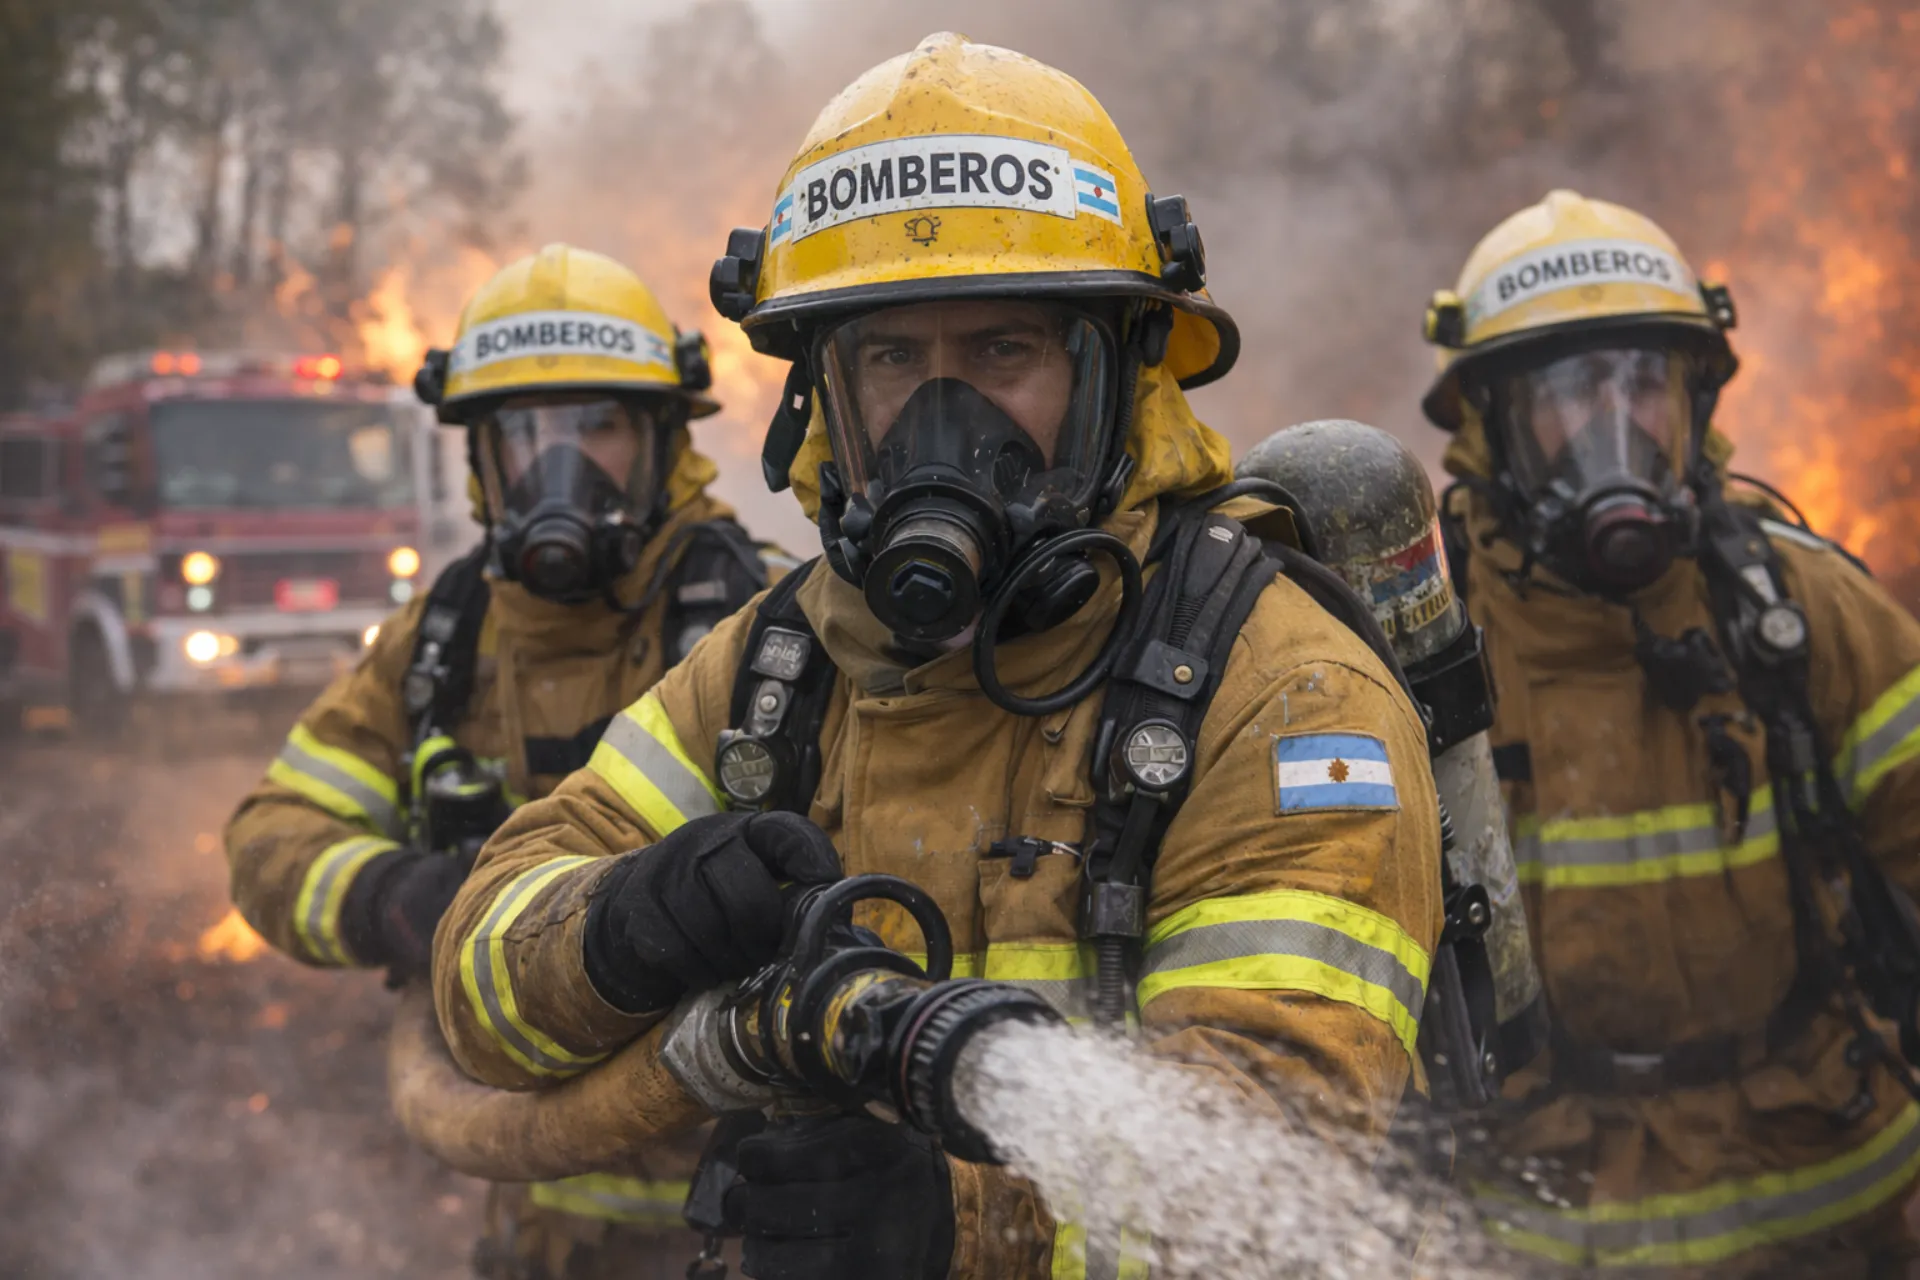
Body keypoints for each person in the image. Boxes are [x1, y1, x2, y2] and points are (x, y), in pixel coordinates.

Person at [431, 34, 1441, 1280]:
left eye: (1002, 353)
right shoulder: (785, 657)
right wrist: (624, 922)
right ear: (824, 400)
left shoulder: (1277, 686)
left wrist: (953, 1225)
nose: (940, 420)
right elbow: (480, 973)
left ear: (1121, 368)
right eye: (893, 359)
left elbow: (1275, 1170)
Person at [224, 243, 784, 1280]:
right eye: (524, 433)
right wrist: (402, 897)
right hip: (540, 1219)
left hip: (755, 1221)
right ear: (480, 459)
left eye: (596, 427)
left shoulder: (771, 625)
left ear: (665, 438)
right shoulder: (445, 635)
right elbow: (269, 835)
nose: (557, 467)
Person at [1421, 189, 1920, 1276]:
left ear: (1695, 400)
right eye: (1568, 389)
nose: (1615, 423)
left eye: (1644, 381)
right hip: (1556, 1218)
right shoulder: (1426, 650)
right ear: (1490, 420)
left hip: (1829, 1192)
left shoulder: (1797, 608)